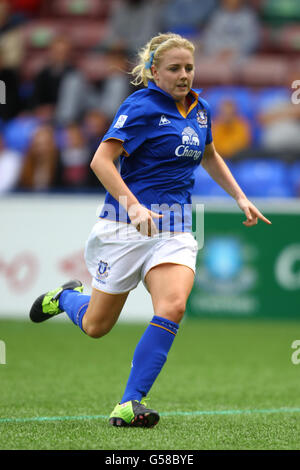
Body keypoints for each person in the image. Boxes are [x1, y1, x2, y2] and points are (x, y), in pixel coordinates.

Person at [29, 32, 271, 428]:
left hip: (175, 227)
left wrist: (240, 197)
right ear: (154, 71)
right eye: (174, 68)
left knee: (173, 306)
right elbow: (100, 162)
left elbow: (209, 155)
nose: (183, 75)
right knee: (96, 326)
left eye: (189, 68)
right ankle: (66, 297)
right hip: (125, 227)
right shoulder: (139, 106)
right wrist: (134, 206)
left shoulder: (201, 109)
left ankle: (129, 403)